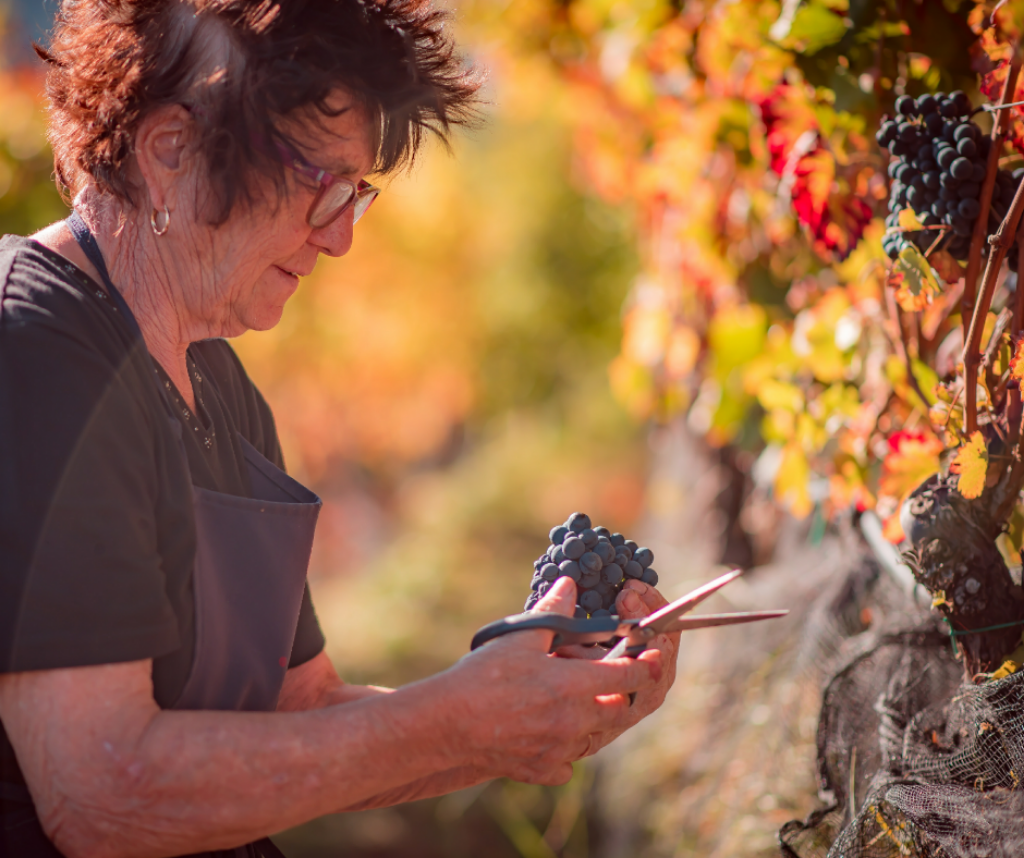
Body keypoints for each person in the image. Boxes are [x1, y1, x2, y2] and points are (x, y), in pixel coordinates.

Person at [0, 2, 681, 856]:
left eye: (356, 194)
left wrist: (525, 708)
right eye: (320, 185)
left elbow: (305, 712)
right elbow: (101, 790)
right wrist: (456, 721)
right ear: (170, 148)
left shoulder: (220, 384)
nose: (342, 238)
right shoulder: (34, 354)